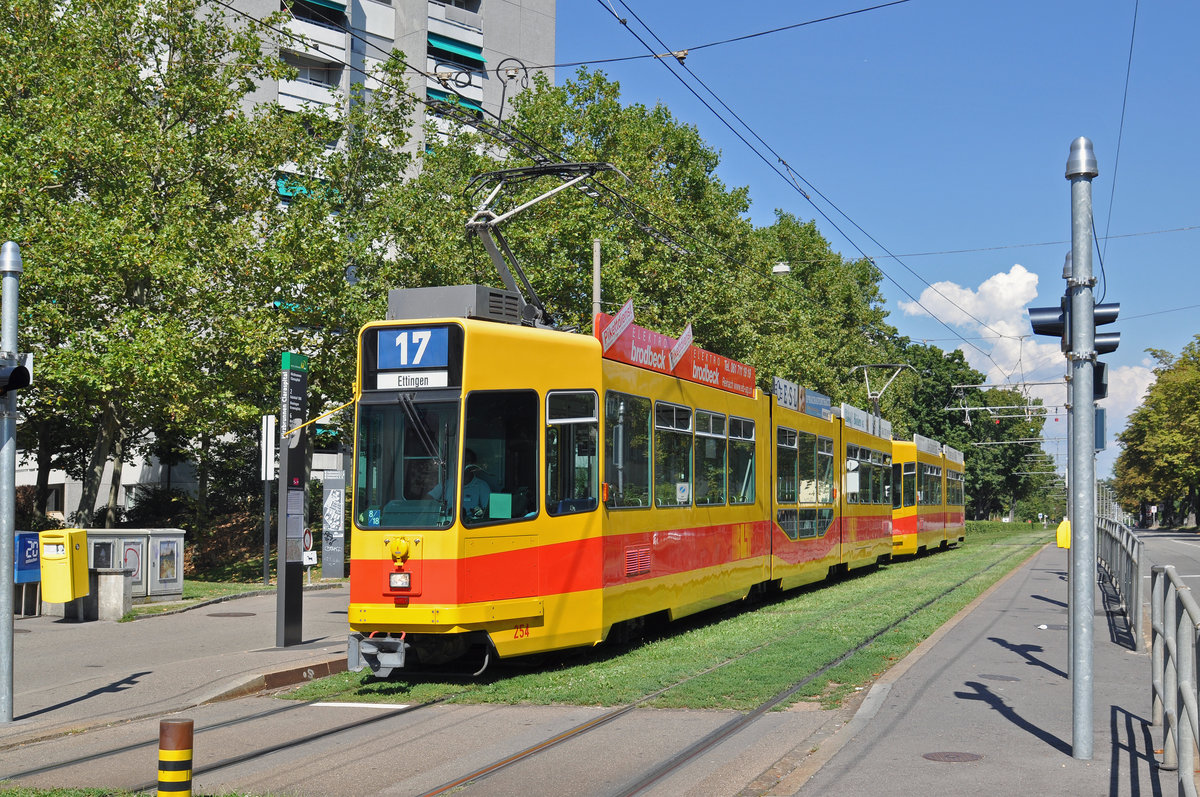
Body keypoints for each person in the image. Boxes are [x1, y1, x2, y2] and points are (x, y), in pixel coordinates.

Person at [428, 448, 490, 519]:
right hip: (447, 524)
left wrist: (479, 513)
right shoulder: (447, 484)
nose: (463, 463)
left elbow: (487, 511)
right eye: (460, 460)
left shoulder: (482, 486)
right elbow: (428, 499)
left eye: (467, 460)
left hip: (471, 526)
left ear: (473, 465)